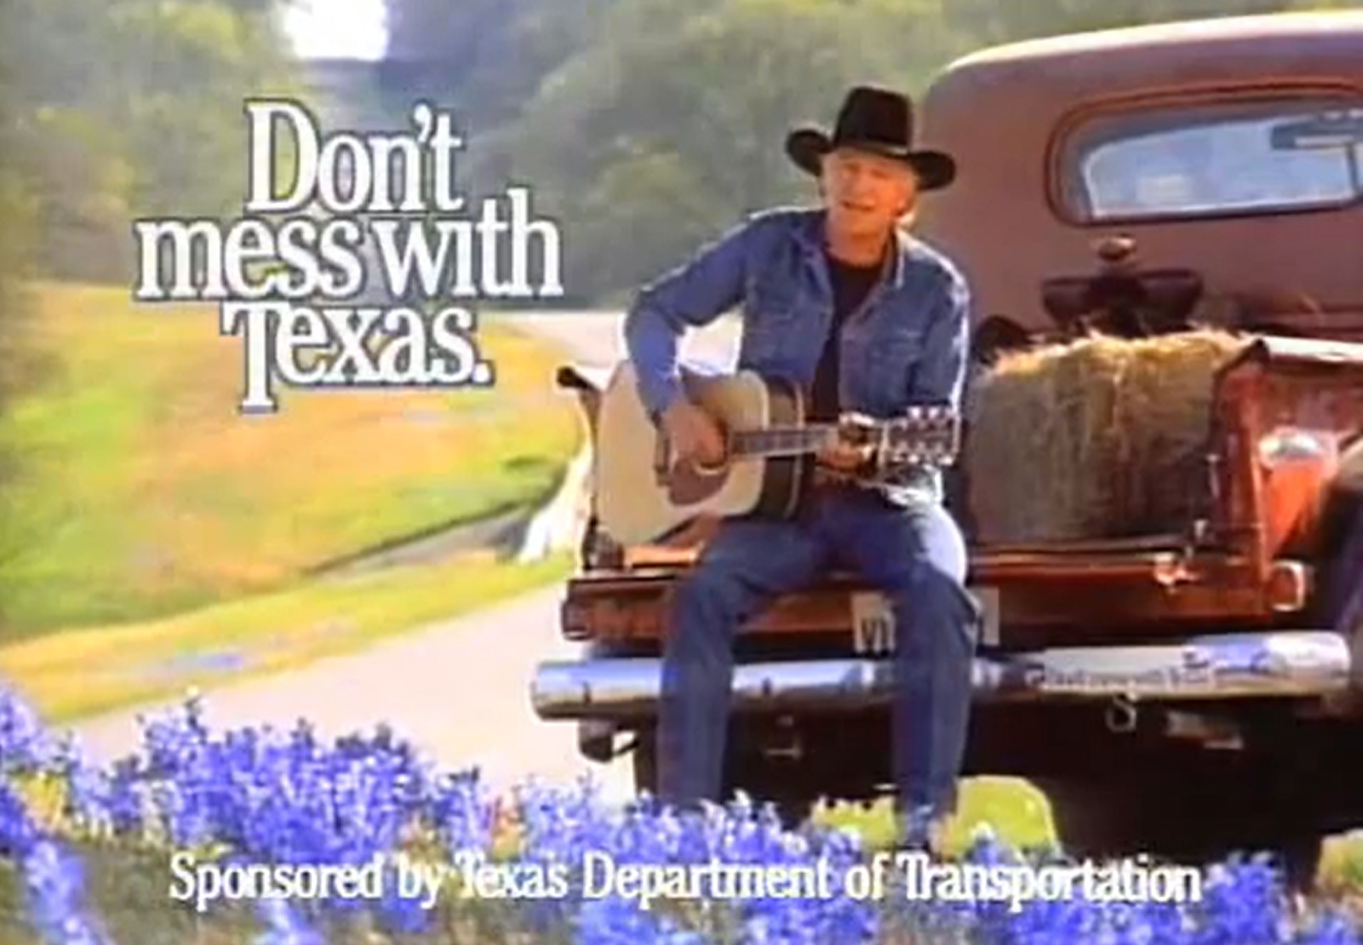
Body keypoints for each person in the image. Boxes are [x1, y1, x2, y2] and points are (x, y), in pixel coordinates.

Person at [621, 85, 980, 852]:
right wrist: (671, 408)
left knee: (939, 589)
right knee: (702, 596)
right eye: (846, 166)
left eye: (879, 175)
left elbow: (936, 425)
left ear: (906, 198)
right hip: (776, 506)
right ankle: (682, 825)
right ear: (822, 174)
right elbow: (653, 312)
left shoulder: (936, 288)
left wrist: (874, 447)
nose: (858, 186)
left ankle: (922, 825)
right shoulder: (766, 246)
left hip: (887, 500)